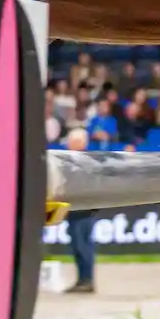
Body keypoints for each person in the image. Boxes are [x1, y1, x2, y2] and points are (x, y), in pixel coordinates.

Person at [62, 126, 96, 294]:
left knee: (83, 246)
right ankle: (82, 279)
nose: (68, 144)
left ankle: (87, 280)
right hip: (74, 209)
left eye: (71, 141)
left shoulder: (87, 161)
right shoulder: (72, 160)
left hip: (83, 209)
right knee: (77, 246)